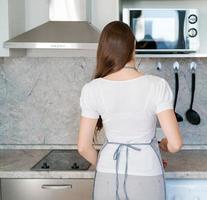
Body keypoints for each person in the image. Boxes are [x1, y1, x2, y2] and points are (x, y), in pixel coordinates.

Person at [77, 21, 183, 200]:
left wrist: (105, 163)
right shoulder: (157, 85)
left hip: (108, 171)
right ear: (133, 47)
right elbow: (175, 144)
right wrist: (163, 144)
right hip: (147, 169)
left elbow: (83, 147)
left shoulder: (92, 89)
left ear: (103, 51)